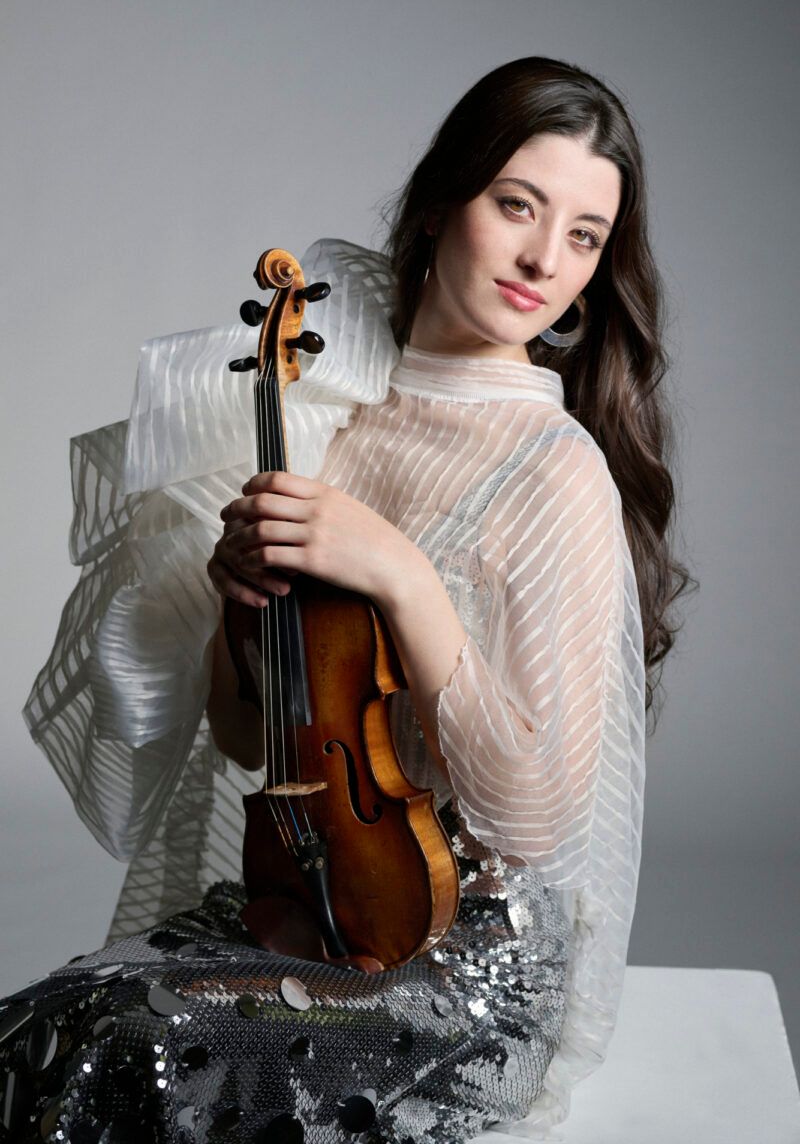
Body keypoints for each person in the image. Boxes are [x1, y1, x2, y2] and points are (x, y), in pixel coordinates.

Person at [4, 56, 690, 1142]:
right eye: (517, 206)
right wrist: (241, 611)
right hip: (326, 902)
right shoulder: (337, 411)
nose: (542, 261)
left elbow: (536, 821)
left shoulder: (555, 469)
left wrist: (400, 574)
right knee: (37, 1027)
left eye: (583, 236)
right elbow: (252, 739)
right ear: (440, 205)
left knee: (124, 1049)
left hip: (463, 965)